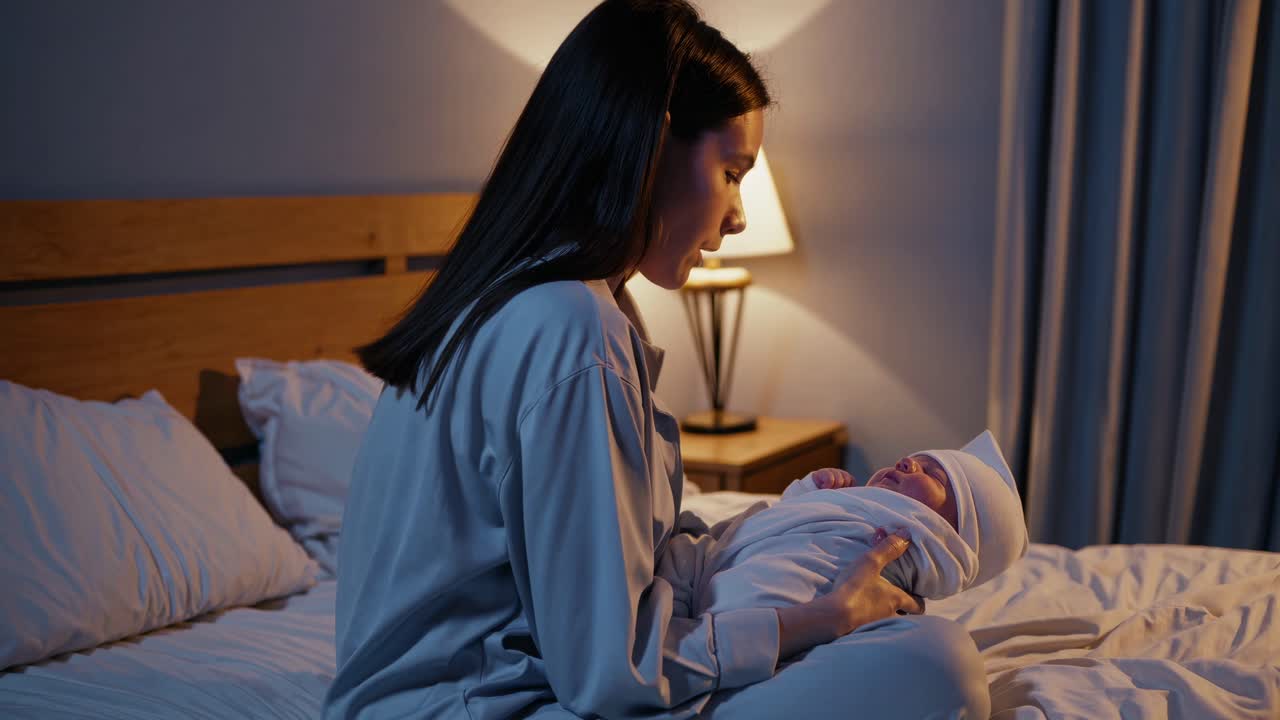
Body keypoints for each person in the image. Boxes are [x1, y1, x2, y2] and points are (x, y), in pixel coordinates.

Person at [323, 1, 989, 718]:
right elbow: (610, 673)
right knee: (937, 665)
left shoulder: (522, 301)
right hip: (476, 706)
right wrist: (820, 618)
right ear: (654, 143)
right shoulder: (571, 326)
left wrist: (777, 539)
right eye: (733, 171)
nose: (737, 214)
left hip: (466, 695)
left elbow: (627, 567)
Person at [660, 431, 1029, 623]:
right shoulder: (854, 506)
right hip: (708, 568)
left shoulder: (894, 547)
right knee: (680, 534)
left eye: (932, 474)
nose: (906, 463)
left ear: (951, 534)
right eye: (914, 459)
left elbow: (804, 560)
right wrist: (811, 490)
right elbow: (781, 524)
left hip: (733, 606)